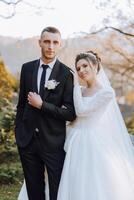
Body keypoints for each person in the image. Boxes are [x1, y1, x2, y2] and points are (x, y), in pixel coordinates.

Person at [57, 51, 134, 200]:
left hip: (91, 141)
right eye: (78, 68)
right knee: (71, 178)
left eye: (85, 65)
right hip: (72, 137)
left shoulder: (106, 92)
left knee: (91, 182)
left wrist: (75, 85)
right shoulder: (79, 91)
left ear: (94, 65)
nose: (81, 71)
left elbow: (82, 110)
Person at [15, 26, 76, 200]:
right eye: (47, 41)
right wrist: (19, 133)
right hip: (27, 141)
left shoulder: (66, 74)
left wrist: (42, 105)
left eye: (55, 42)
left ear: (60, 45)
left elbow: (70, 113)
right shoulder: (27, 69)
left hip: (53, 143)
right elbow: (21, 105)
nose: (50, 46)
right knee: (34, 191)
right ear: (39, 42)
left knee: (56, 191)